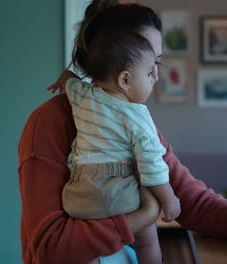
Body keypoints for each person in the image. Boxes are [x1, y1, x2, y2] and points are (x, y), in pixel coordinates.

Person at [18, 1, 227, 264]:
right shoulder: (49, 123)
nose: (156, 74)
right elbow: (49, 247)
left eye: (158, 61)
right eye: (149, 63)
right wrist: (146, 214)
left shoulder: (138, 121)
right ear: (121, 72)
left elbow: (192, 201)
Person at [49, 27, 180, 264]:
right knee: (147, 239)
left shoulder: (83, 96)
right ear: (125, 79)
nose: (156, 78)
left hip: (79, 195)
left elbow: (69, 79)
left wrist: (62, 79)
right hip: (119, 192)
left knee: (88, 246)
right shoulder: (137, 115)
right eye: (150, 72)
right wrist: (169, 199)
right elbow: (152, 164)